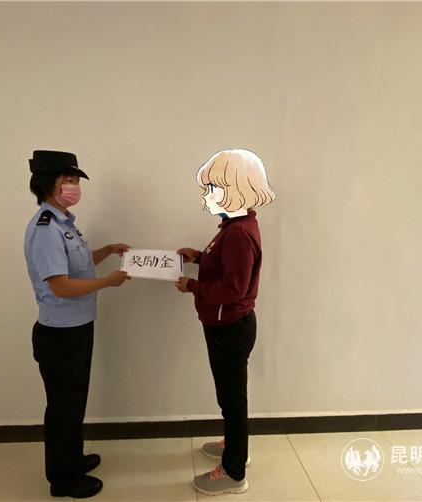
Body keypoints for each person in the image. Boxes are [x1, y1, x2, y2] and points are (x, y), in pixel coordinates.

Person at [24, 150, 131, 498]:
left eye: (75, 181)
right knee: (63, 407)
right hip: (60, 333)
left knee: (74, 402)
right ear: (47, 184)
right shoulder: (45, 228)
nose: (74, 187)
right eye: (67, 180)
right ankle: (63, 479)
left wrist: (108, 250)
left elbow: (79, 265)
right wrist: (108, 282)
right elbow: (61, 286)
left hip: (78, 327)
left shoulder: (65, 223)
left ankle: (73, 459)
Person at [175, 149, 276, 496]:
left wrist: (193, 286)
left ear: (236, 189)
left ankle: (234, 471)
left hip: (229, 327)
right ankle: (233, 445)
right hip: (227, 325)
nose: (206, 196)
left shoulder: (238, 233)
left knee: (232, 399)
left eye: (212, 188)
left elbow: (234, 288)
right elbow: (226, 268)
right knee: (230, 396)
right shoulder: (234, 227)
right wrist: (198, 257)